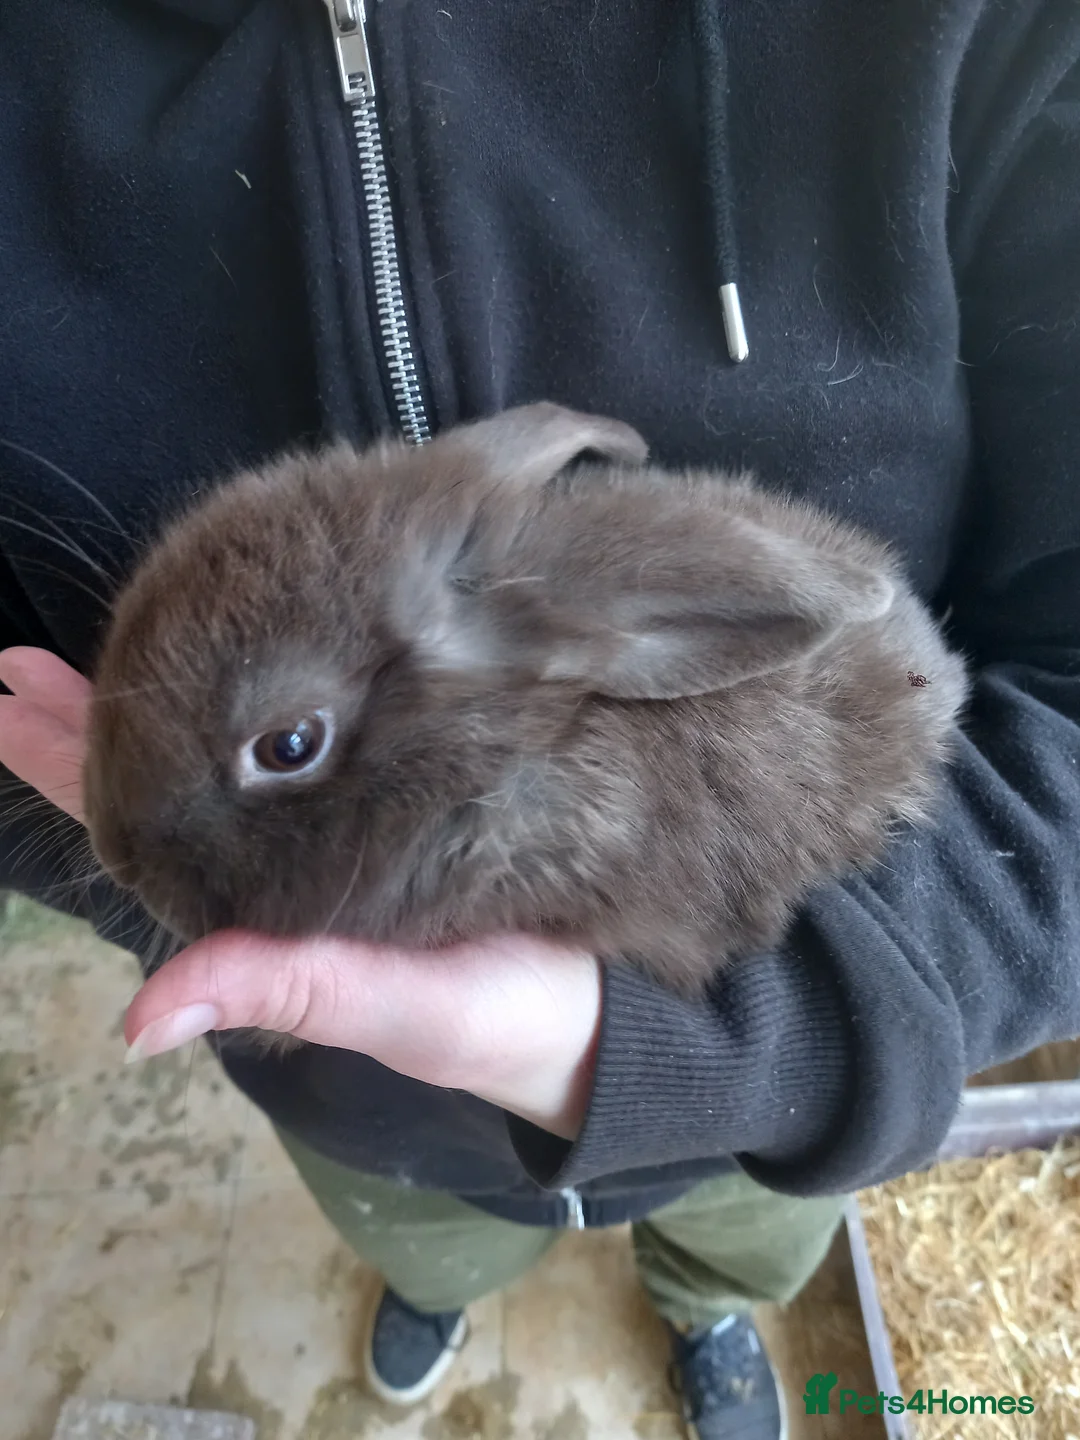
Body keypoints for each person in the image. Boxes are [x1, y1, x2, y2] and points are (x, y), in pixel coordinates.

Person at [1, 3, 1079, 1437]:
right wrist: (230, 935)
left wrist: (766, 1042)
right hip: (355, 1108)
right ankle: (444, 1283)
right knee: (426, 1230)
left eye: (289, 748)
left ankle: (705, 1318)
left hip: (776, 1113)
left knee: (742, 1247)